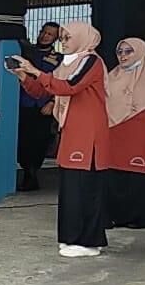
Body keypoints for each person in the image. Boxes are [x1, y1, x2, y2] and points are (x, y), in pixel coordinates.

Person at [11, 22, 111, 257]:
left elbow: (69, 87)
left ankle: (88, 241)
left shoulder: (91, 61)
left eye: (67, 38)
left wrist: (36, 71)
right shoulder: (68, 65)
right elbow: (44, 90)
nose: (63, 42)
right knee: (70, 188)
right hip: (71, 131)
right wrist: (23, 76)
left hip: (89, 134)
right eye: (62, 38)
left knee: (84, 188)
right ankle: (71, 237)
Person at [104, 38, 145, 230]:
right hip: (112, 136)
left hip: (139, 139)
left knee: (136, 179)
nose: (123, 56)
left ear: (140, 52)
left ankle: (138, 218)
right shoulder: (111, 77)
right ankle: (112, 216)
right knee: (111, 177)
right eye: (120, 52)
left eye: (128, 52)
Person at [17, 22, 63, 191]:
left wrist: (53, 102)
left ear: (56, 38)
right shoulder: (27, 51)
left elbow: (61, 83)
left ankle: (32, 174)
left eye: (50, 34)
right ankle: (26, 171)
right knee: (22, 140)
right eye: (44, 32)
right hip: (23, 103)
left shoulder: (59, 59)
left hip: (43, 106)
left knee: (39, 141)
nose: (45, 36)